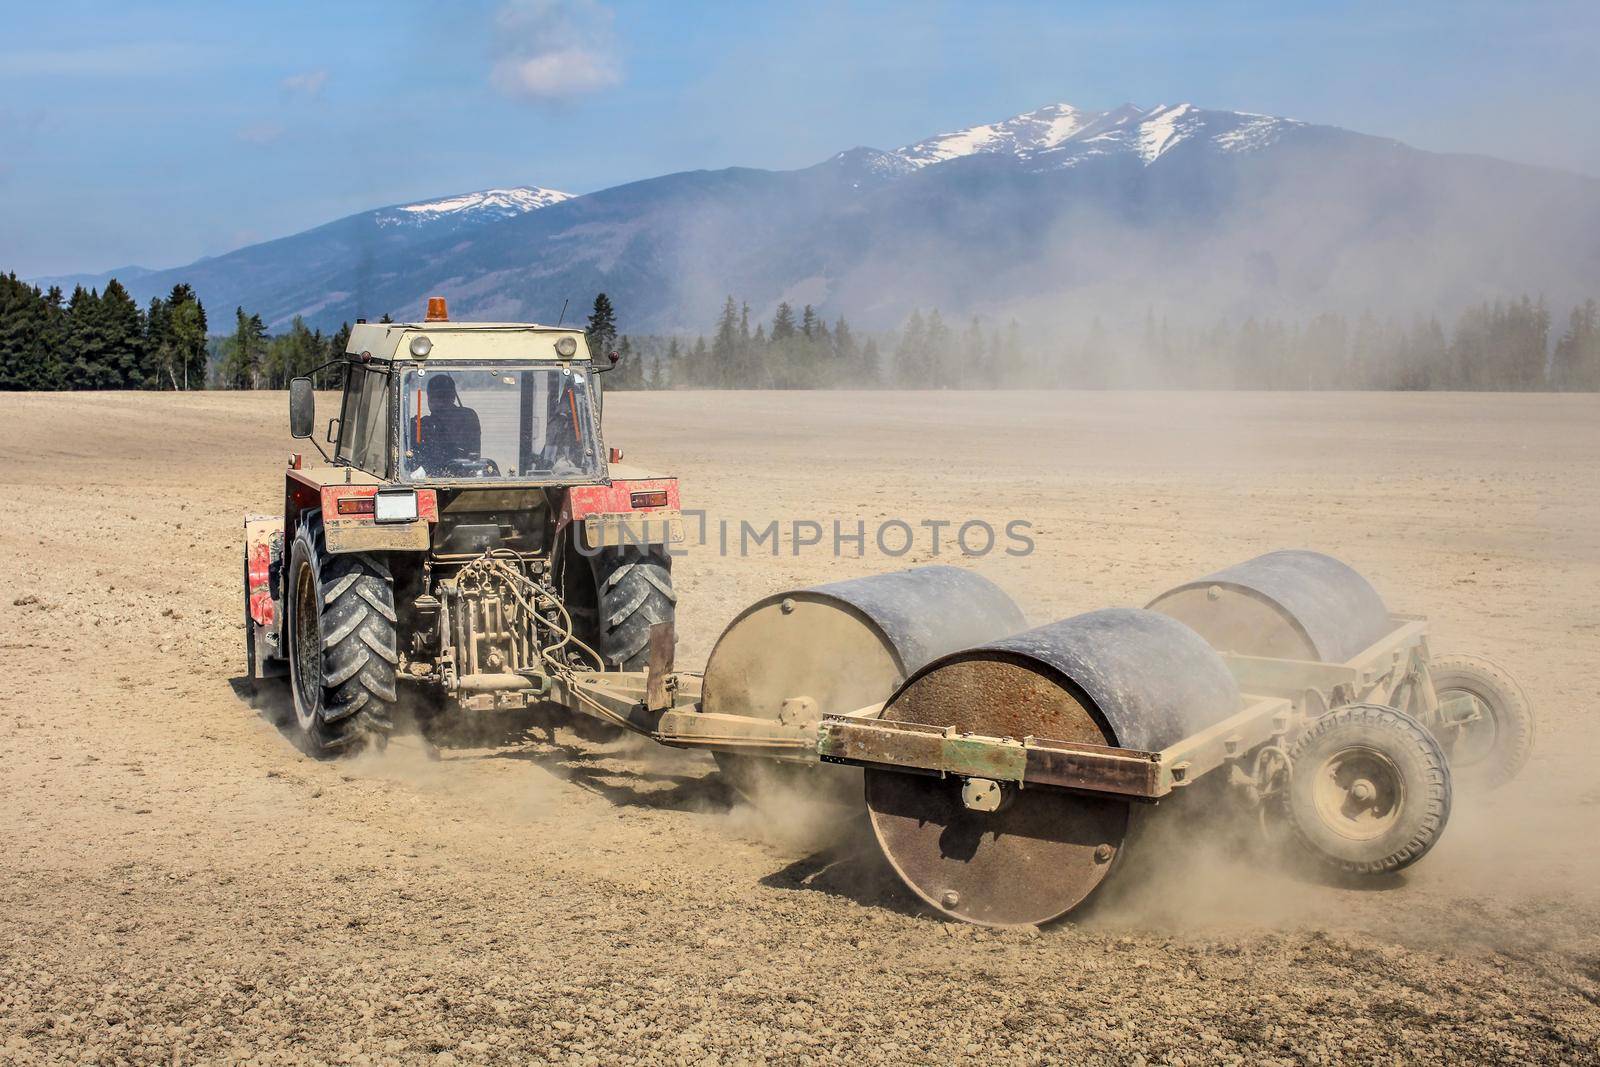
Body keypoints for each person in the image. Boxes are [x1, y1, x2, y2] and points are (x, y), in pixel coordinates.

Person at [415, 373, 481, 472]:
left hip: (459, 475)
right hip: (461, 474)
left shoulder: (467, 417)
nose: (439, 402)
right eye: (435, 397)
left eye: (443, 397)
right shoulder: (469, 415)